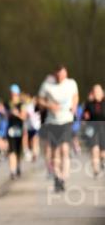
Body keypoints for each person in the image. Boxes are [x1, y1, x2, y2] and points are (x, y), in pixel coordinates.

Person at [38, 65, 80, 193]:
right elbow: (39, 100)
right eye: (60, 75)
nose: (62, 77)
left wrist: (74, 106)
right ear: (55, 74)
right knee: (55, 152)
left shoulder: (71, 83)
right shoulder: (47, 85)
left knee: (65, 150)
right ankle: (57, 176)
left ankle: (63, 177)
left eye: (64, 74)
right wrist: (49, 105)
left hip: (66, 120)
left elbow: (75, 96)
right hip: (52, 122)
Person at [82, 84, 105, 178]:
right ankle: (95, 169)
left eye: (98, 92)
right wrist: (85, 116)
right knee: (94, 148)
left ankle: (102, 160)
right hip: (92, 127)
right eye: (94, 92)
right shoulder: (89, 103)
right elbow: (84, 115)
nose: (96, 94)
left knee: (103, 150)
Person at [6, 85, 27, 180]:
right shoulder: (7, 104)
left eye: (14, 94)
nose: (12, 96)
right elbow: (4, 115)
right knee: (11, 151)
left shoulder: (21, 104)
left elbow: (24, 116)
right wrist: (8, 113)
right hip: (10, 130)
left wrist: (17, 114)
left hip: (19, 129)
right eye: (11, 94)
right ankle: (12, 171)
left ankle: (18, 166)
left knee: (18, 151)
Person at [23, 91, 41, 163]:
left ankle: (35, 153)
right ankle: (31, 152)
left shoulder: (39, 107)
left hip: (36, 126)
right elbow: (25, 115)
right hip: (29, 126)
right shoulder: (28, 106)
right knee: (30, 141)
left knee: (35, 139)